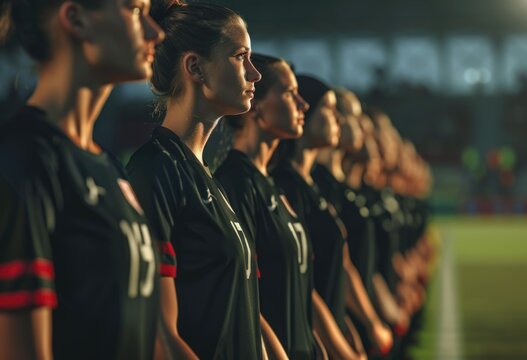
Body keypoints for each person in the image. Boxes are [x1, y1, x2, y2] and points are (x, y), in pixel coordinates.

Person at [0, 0, 164, 359]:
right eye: (136, 11)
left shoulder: (107, 166)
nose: (156, 32)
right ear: (75, 18)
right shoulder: (23, 161)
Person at [126, 1, 266, 359]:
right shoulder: (155, 170)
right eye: (240, 56)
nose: (255, 74)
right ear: (195, 67)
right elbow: (159, 337)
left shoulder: (206, 175)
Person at [215, 53, 317, 359]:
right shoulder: (235, 182)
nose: (303, 104)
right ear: (256, 105)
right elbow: (243, 296)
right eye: (289, 93)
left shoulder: (270, 182)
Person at [271, 74, 367, 360]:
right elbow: (302, 287)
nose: (339, 119)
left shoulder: (313, 185)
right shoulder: (285, 185)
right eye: (329, 109)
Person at [312, 88, 394, 357]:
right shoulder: (316, 187)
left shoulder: (338, 188)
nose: (362, 129)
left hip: (348, 329)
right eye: (352, 117)